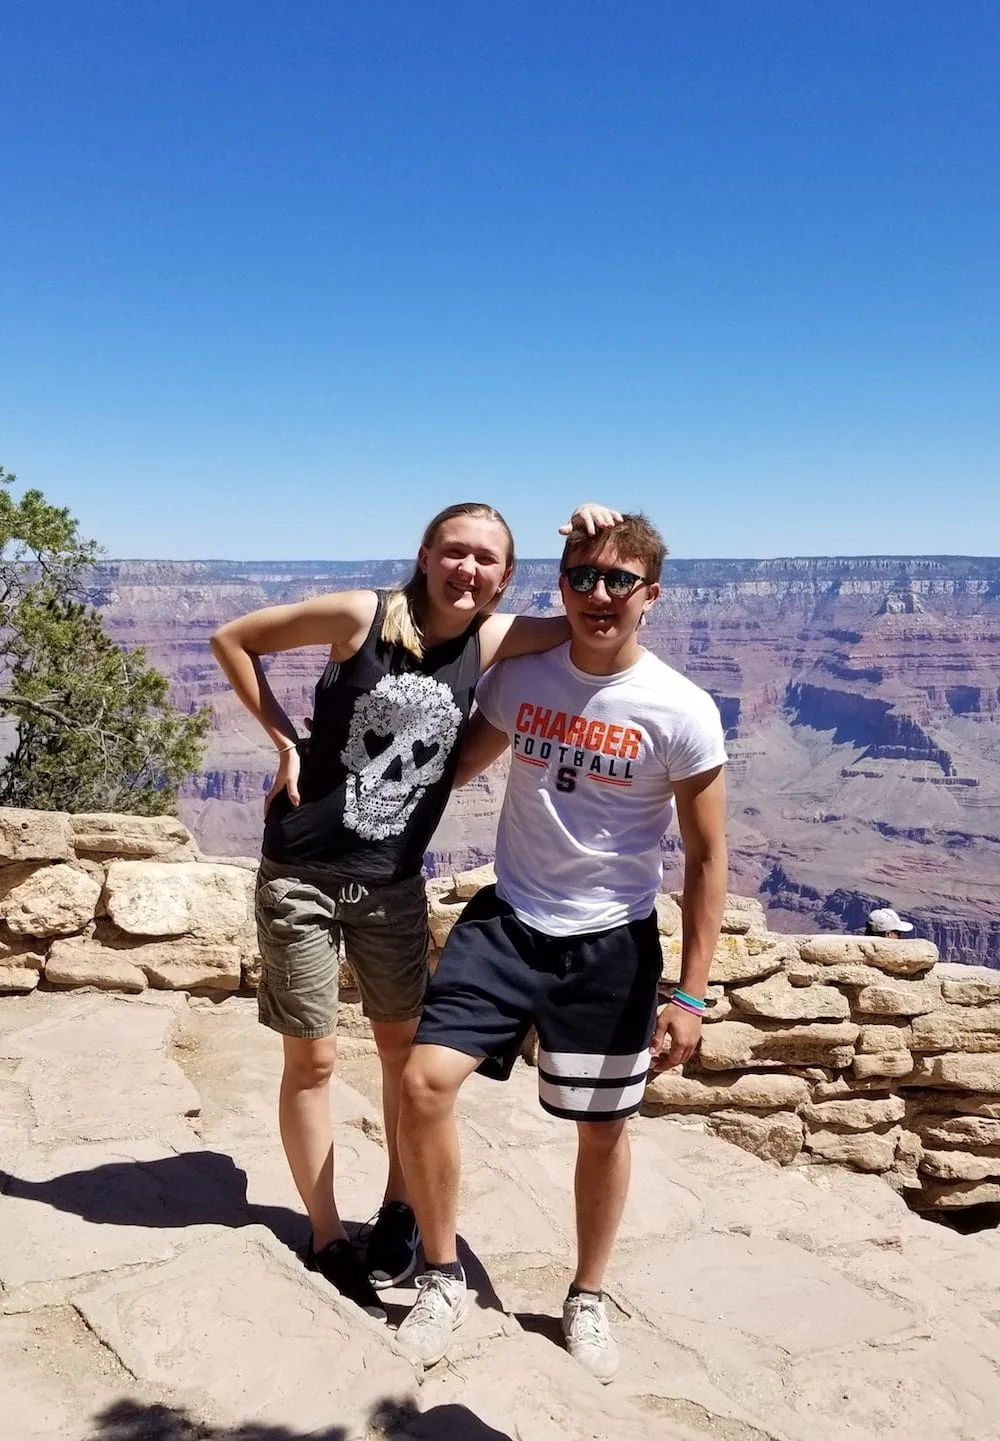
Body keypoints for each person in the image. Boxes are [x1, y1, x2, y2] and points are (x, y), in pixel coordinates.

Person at [210, 499, 618, 1322]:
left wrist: (589, 544)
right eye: (455, 551)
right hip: (300, 873)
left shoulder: (494, 642)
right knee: (315, 1062)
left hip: (393, 883)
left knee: (403, 1056)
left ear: (505, 579)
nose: (468, 569)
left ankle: (398, 1209)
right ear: (427, 554)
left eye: (488, 560)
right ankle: (326, 1236)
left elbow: (594, 622)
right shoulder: (362, 615)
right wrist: (285, 739)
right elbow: (234, 639)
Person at [394, 512, 729, 1380]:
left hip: (610, 945)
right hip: (507, 919)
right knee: (424, 1083)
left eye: (621, 581)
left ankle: (586, 1293)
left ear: (652, 596)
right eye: (582, 578)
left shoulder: (682, 710)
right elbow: (460, 759)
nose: (600, 595)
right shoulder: (523, 677)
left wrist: (689, 993)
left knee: (603, 1130)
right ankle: (440, 1273)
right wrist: (353, 813)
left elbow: (704, 855)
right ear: (561, 588)